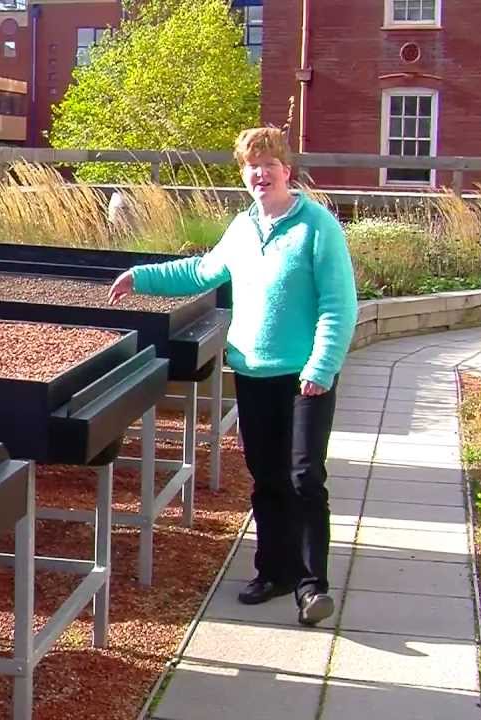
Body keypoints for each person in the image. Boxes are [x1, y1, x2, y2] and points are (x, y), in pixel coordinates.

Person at [107, 126, 357, 626]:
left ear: (287, 170)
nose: (260, 172)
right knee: (266, 481)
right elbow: (204, 271)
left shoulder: (317, 226)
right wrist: (142, 276)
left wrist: (322, 366)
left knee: (305, 478)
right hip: (252, 372)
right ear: (243, 174)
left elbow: (339, 305)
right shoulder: (243, 228)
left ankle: (312, 588)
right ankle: (274, 571)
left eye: (269, 163)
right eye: (251, 165)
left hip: (306, 378)